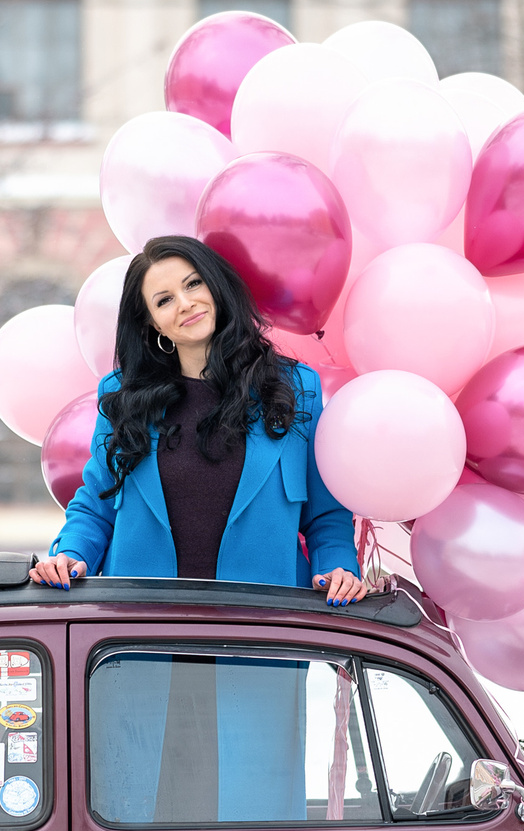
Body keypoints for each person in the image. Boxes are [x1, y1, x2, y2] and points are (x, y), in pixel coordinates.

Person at [29, 235, 365, 600]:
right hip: (138, 623)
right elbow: (97, 504)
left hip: (265, 623)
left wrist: (337, 567)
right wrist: (71, 553)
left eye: (193, 284)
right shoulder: (122, 395)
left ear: (215, 286)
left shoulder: (296, 387)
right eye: (164, 300)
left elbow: (325, 513)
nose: (185, 303)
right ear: (153, 324)